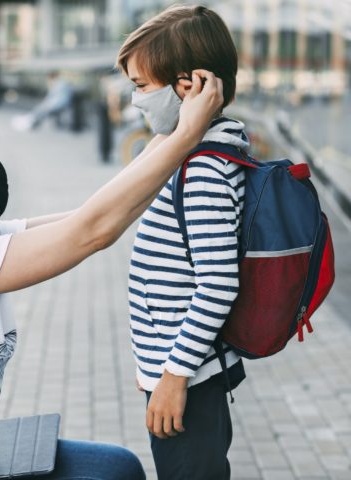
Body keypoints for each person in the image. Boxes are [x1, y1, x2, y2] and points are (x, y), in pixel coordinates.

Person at [0, 68, 223, 479]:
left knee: (117, 469)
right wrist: (185, 136)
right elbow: (91, 233)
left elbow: (89, 216)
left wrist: (175, 123)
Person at [116, 5, 248, 479]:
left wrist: (172, 378)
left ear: (188, 85)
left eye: (141, 86)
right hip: (179, 370)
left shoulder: (204, 170)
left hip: (189, 380)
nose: (135, 101)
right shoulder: (188, 152)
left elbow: (217, 283)